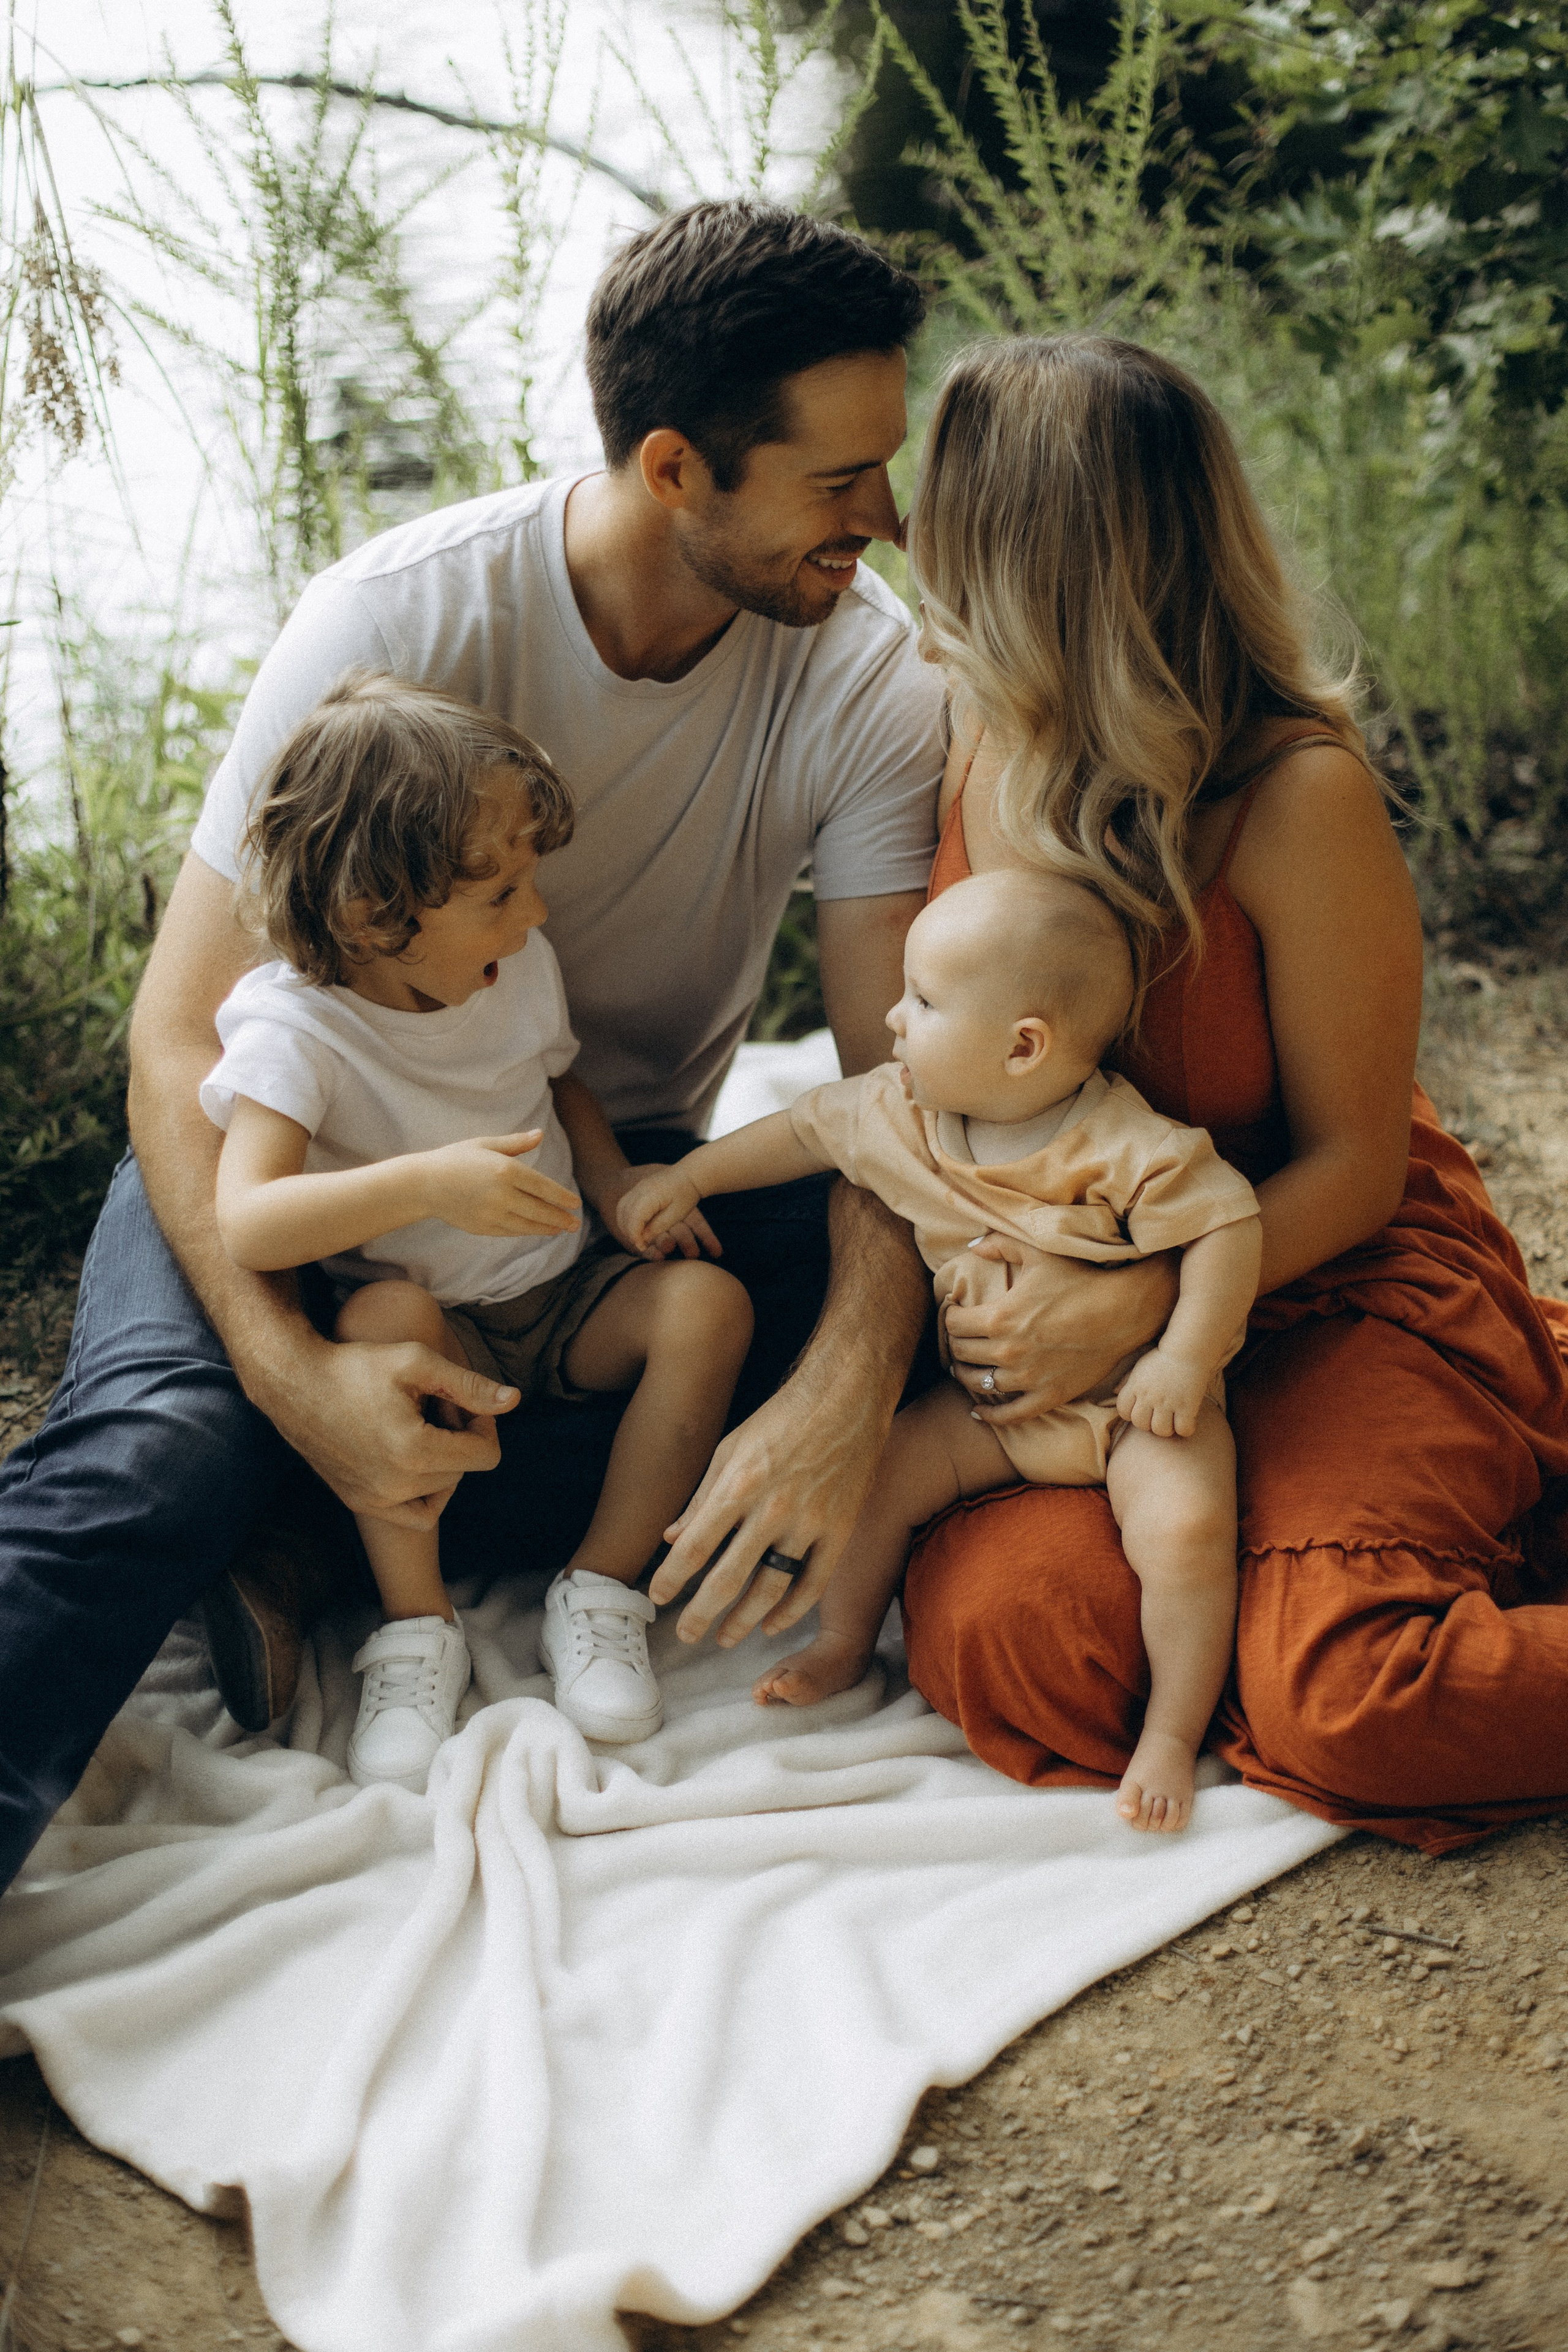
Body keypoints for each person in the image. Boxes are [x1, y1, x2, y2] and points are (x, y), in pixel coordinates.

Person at [0, 198, 953, 1888]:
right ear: (677, 467)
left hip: (574, 1189)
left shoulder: (867, 678)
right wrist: (297, 1380)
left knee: (954, 1305)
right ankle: (276, 1484)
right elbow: (175, 1044)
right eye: (840, 480)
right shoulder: (397, 624)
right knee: (159, 1451)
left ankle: (312, 1535)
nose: (884, 518)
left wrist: (846, 1385)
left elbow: (896, 1083)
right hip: (282, 1155)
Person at [888, 333, 1568, 1853]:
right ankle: (1371, 1555)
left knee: (1355, 1700)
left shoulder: (1292, 790)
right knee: (1023, 1643)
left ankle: (1389, 1543)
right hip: (1091, 1361)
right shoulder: (968, 732)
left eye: (933, 506)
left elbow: (1353, 1160)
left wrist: (1140, 1305)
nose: (894, 532)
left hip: (1323, 1274)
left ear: (1024, 554)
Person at [622, 867, 1262, 1830]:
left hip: (1128, 1408)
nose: (891, 1018)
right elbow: (798, 1131)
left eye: (922, 1001)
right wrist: (693, 1180)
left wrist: (1184, 1357)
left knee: (1187, 1532)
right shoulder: (895, 1115)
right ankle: (844, 1643)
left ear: (1023, 1047)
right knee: (874, 1476)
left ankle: (1170, 1732)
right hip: (988, 1411)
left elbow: (1227, 1223)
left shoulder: (1120, 1141)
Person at [205, 674, 755, 1785]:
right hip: (439, 1331)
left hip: (564, 1291)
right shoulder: (293, 1030)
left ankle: (600, 1592)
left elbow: (564, 1089)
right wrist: (426, 1186)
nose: (537, 912)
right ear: (374, 916)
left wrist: (610, 1184)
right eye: (500, 891)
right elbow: (249, 1221)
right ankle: (418, 1633)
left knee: (711, 1305)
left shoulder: (515, 968)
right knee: (383, 1317)